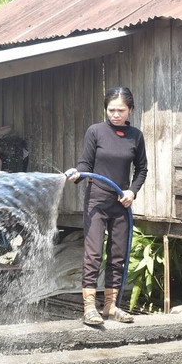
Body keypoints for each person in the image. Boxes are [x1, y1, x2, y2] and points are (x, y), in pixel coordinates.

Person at [65, 86, 148, 325]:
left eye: (120, 110)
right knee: (93, 254)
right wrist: (77, 174)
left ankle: (111, 307)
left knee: (118, 255)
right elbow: (85, 163)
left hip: (121, 202)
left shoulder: (136, 136)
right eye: (111, 110)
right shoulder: (96, 132)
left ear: (130, 109)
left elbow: (142, 169)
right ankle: (89, 307)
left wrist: (132, 191)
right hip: (97, 201)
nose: (115, 114)